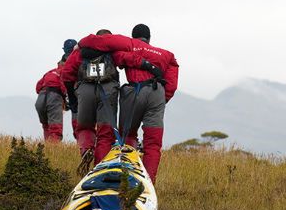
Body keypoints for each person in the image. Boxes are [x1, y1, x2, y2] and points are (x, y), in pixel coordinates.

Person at [78, 24, 179, 183]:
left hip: (134, 92)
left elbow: (102, 45)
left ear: (133, 37)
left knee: (128, 136)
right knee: (153, 144)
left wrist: (82, 43)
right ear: (149, 38)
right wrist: (161, 99)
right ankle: (148, 182)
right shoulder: (167, 55)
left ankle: (123, 176)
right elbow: (172, 84)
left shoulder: (129, 45)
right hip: (157, 93)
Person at [62, 30, 152, 172]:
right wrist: (148, 65)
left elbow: (67, 73)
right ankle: (100, 168)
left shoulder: (79, 52)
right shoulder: (112, 51)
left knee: (85, 127)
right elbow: (127, 59)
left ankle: (86, 149)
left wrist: (73, 100)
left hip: (85, 90)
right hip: (108, 89)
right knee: (105, 133)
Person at [35, 59, 67, 142]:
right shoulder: (65, 71)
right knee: (55, 127)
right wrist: (66, 98)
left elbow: (38, 86)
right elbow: (64, 85)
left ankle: (47, 147)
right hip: (54, 97)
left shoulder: (50, 72)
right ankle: (54, 149)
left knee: (46, 125)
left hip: (41, 98)